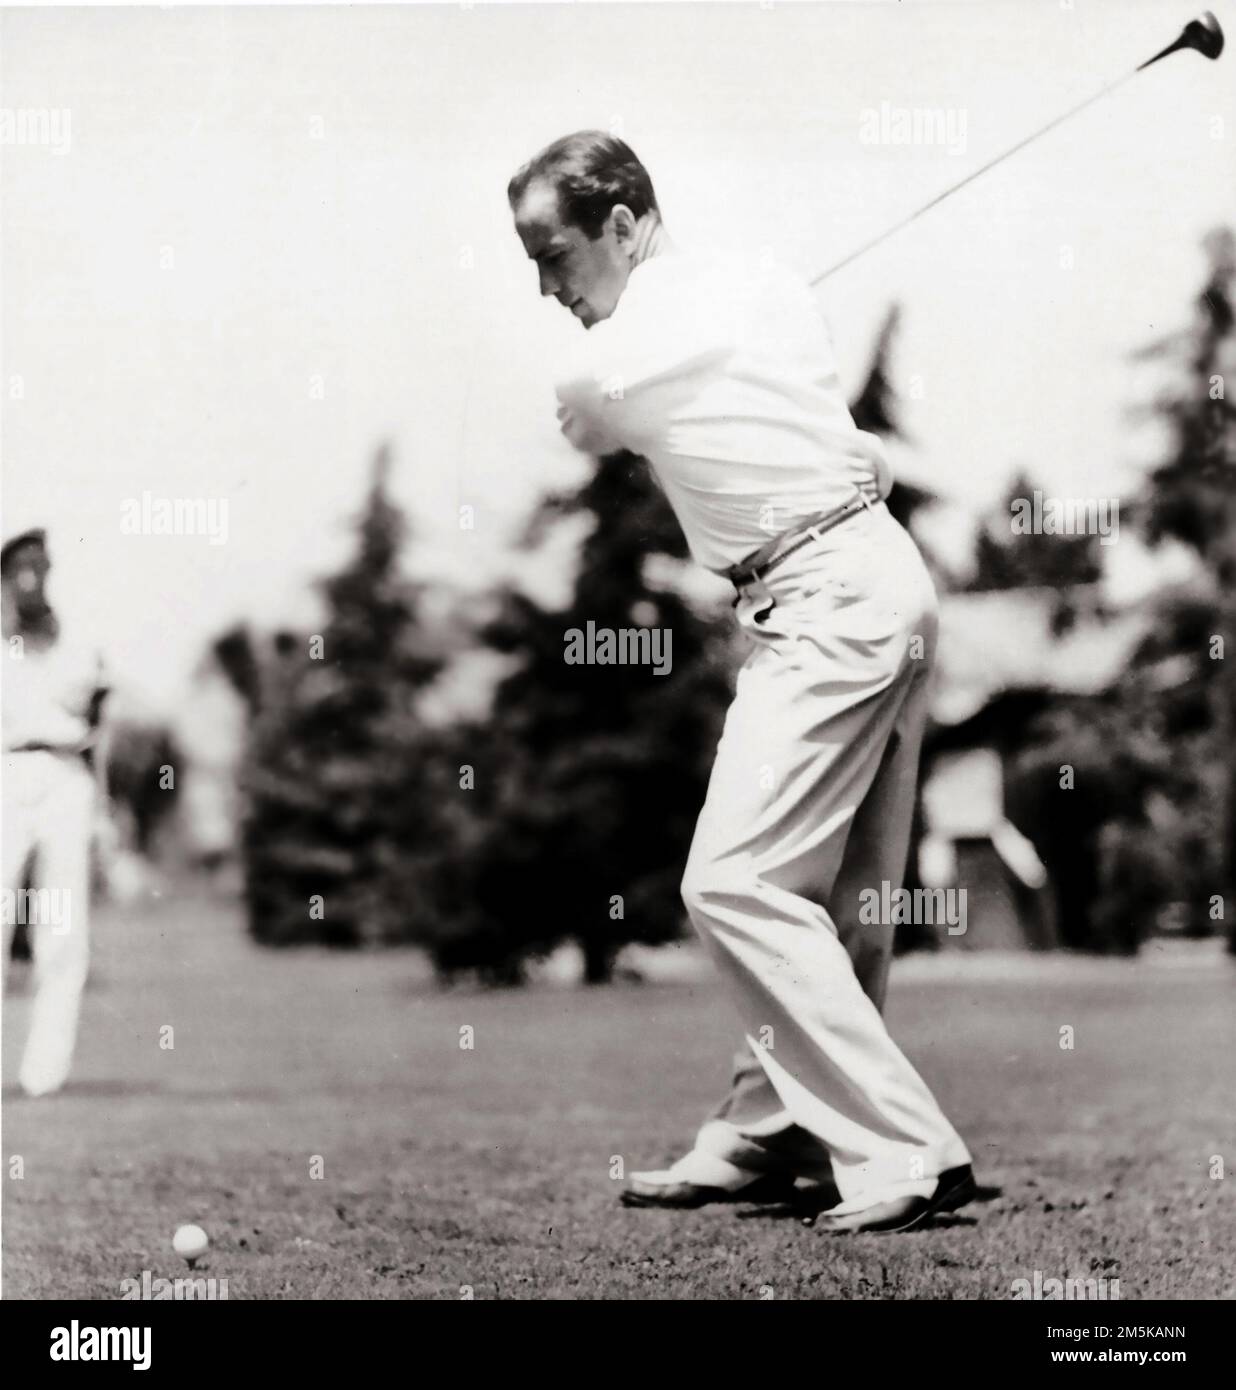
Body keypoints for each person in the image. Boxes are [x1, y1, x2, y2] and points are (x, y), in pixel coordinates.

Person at [508, 132, 974, 1233]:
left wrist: (631, 359)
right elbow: (845, 446)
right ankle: (767, 1132)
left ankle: (906, 1144)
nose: (547, 287)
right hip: (876, 577)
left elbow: (580, 406)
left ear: (625, 224)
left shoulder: (656, 323)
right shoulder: (757, 287)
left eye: (556, 254)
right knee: (838, 899)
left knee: (734, 884)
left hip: (825, 596)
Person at [2, 526, 110, 1097]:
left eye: (39, 567)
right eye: (19, 568)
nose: (31, 578)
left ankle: (44, 1073)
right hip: (6, 774)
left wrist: (106, 813)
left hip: (66, 777)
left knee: (62, 928)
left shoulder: (78, 644)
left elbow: (100, 728)